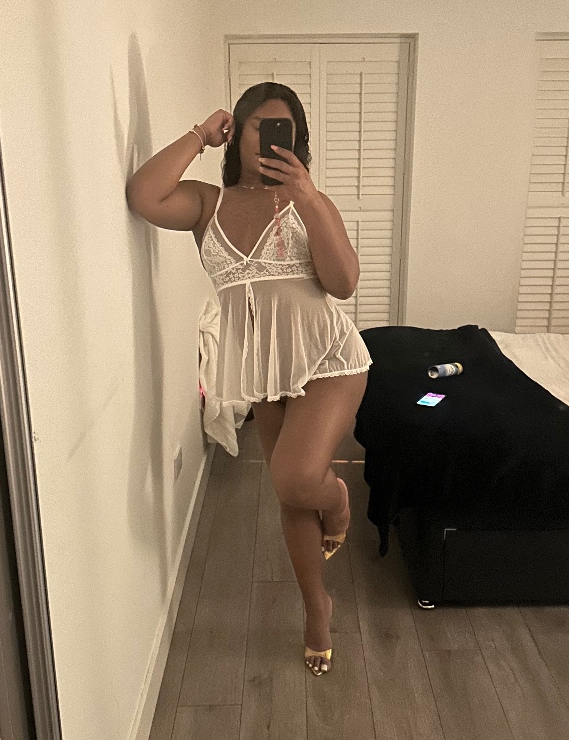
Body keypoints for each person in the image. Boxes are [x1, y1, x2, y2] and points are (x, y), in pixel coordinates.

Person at [126, 82, 372, 677]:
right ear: (236, 132)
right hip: (265, 369)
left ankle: (338, 499)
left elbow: (343, 284)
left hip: (329, 360)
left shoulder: (309, 202)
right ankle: (317, 608)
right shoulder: (207, 205)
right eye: (260, 125)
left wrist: (309, 199)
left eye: (285, 129)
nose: (272, 139)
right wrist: (198, 135)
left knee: (295, 478)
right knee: (290, 494)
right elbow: (144, 195)